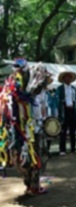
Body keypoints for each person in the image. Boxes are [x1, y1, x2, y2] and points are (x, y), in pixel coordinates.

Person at [0, 60, 50, 194]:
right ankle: (33, 186)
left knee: (27, 157)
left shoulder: (15, 89)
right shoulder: (21, 90)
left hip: (25, 128)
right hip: (26, 129)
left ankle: (30, 184)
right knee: (33, 156)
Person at [55, 71, 76, 156]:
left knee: (73, 130)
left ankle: (73, 148)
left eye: (69, 77)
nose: (68, 79)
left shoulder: (74, 88)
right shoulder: (60, 89)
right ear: (63, 79)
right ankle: (62, 149)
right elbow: (57, 100)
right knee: (63, 130)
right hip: (64, 110)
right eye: (66, 77)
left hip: (72, 109)